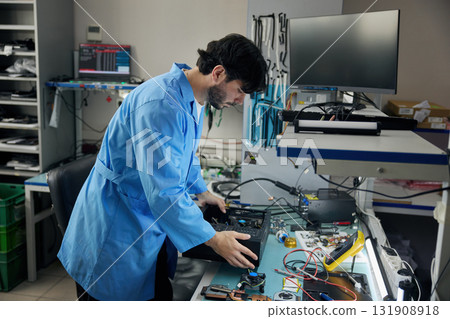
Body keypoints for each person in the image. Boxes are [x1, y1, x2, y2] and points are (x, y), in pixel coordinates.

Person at [57, 33, 267, 301]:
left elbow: (184, 155)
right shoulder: (160, 106)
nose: (240, 101)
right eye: (240, 90)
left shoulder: (193, 99)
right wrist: (214, 239)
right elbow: (163, 193)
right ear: (218, 73)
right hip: (114, 233)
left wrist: (201, 190)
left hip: (146, 226)